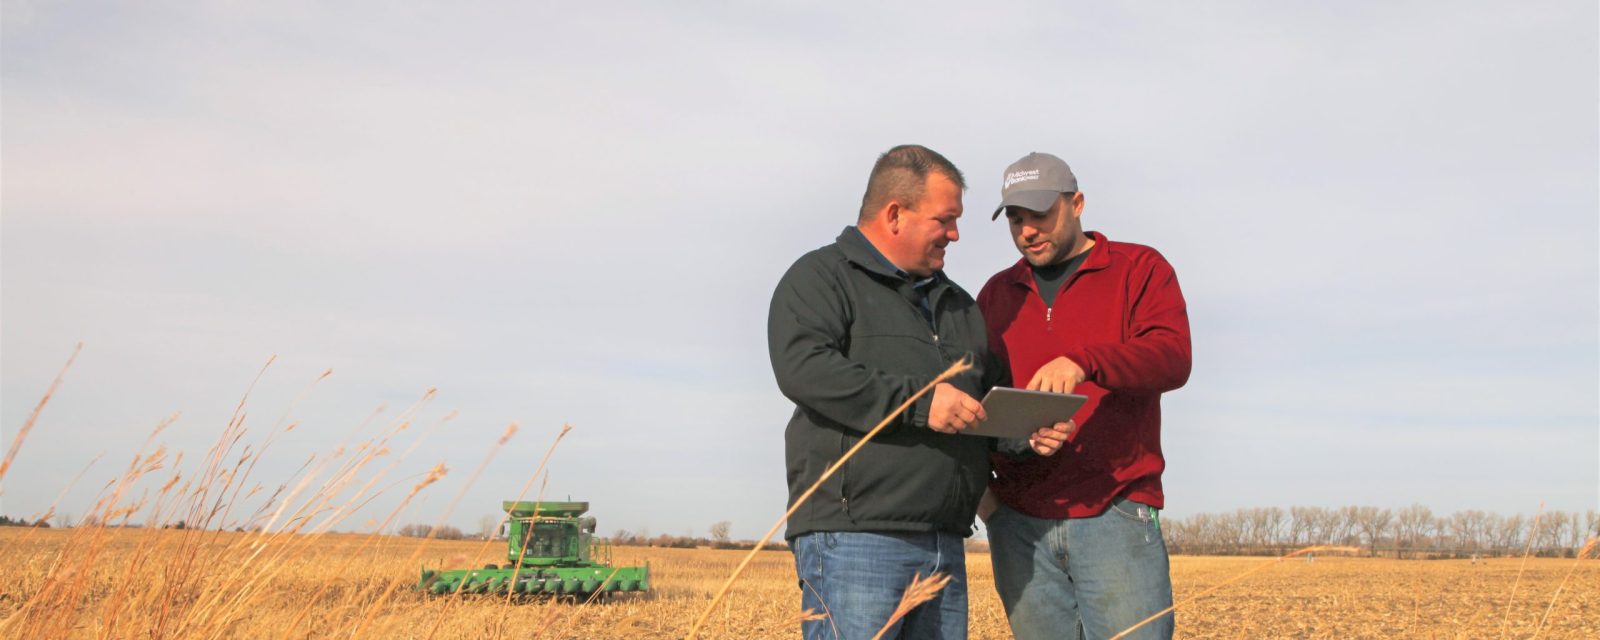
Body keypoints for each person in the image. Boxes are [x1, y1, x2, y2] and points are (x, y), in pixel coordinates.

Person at [768, 145, 1070, 640]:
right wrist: (923, 404)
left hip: (945, 542)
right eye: (945, 219)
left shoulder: (958, 306)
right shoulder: (820, 279)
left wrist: (1026, 433)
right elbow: (805, 370)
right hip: (855, 539)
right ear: (894, 215)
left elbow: (982, 405)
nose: (955, 234)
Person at [977, 152, 1192, 640]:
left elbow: (1173, 357)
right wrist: (990, 499)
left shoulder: (1139, 269)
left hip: (1114, 512)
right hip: (1019, 525)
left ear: (1077, 204)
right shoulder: (995, 295)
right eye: (1015, 219)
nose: (1027, 231)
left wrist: (1085, 361)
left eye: (1040, 215)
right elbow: (978, 399)